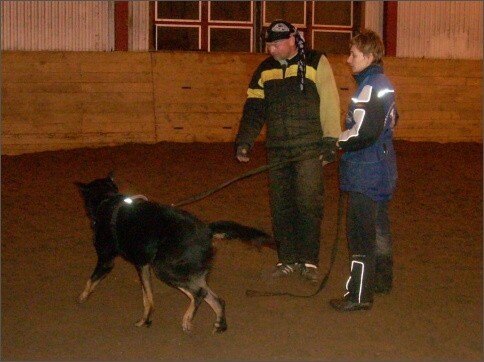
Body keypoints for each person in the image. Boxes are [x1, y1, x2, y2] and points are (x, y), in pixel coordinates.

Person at [234, 20, 341, 282]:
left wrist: (331, 140)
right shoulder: (264, 70)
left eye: (276, 44)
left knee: (308, 205)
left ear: (293, 40)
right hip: (278, 150)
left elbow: (329, 100)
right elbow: (254, 108)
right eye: (269, 44)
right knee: (281, 206)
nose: (271, 49)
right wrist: (244, 140)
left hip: (308, 148)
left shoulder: (316, 62)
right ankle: (287, 260)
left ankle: (309, 262)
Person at [329, 29, 399, 311]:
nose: (349, 59)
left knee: (360, 234)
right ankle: (381, 280)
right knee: (379, 228)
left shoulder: (370, 86)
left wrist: (335, 141)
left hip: (366, 170)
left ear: (369, 56)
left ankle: (359, 295)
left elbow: (363, 133)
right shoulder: (384, 83)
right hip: (382, 167)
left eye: (354, 54)